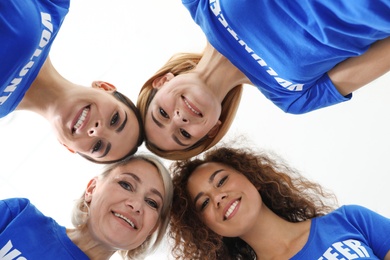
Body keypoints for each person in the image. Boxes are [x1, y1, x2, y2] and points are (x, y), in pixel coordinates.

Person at [137, 0, 390, 160]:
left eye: (162, 113)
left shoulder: (200, 4)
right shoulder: (292, 98)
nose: (179, 119)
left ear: (161, 81)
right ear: (212, 129)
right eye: (184, 134)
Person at [169, 145, 390, 259]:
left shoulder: (349, 220)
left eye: (221, 180)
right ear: (207, 229)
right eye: (204, 204)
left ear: (252, 178)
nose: (218, 198)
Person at [0, 0, 143, 164]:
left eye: (97, 146)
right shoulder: (55, 6)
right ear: (104, 87)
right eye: (115, 119)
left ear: (67, 146)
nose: (96, 130)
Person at [0, 153, 173, 259]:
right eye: (126, 185)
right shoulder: (18, 215)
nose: (136, 205)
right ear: (91, 189)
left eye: (152, 203)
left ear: (152, 229)